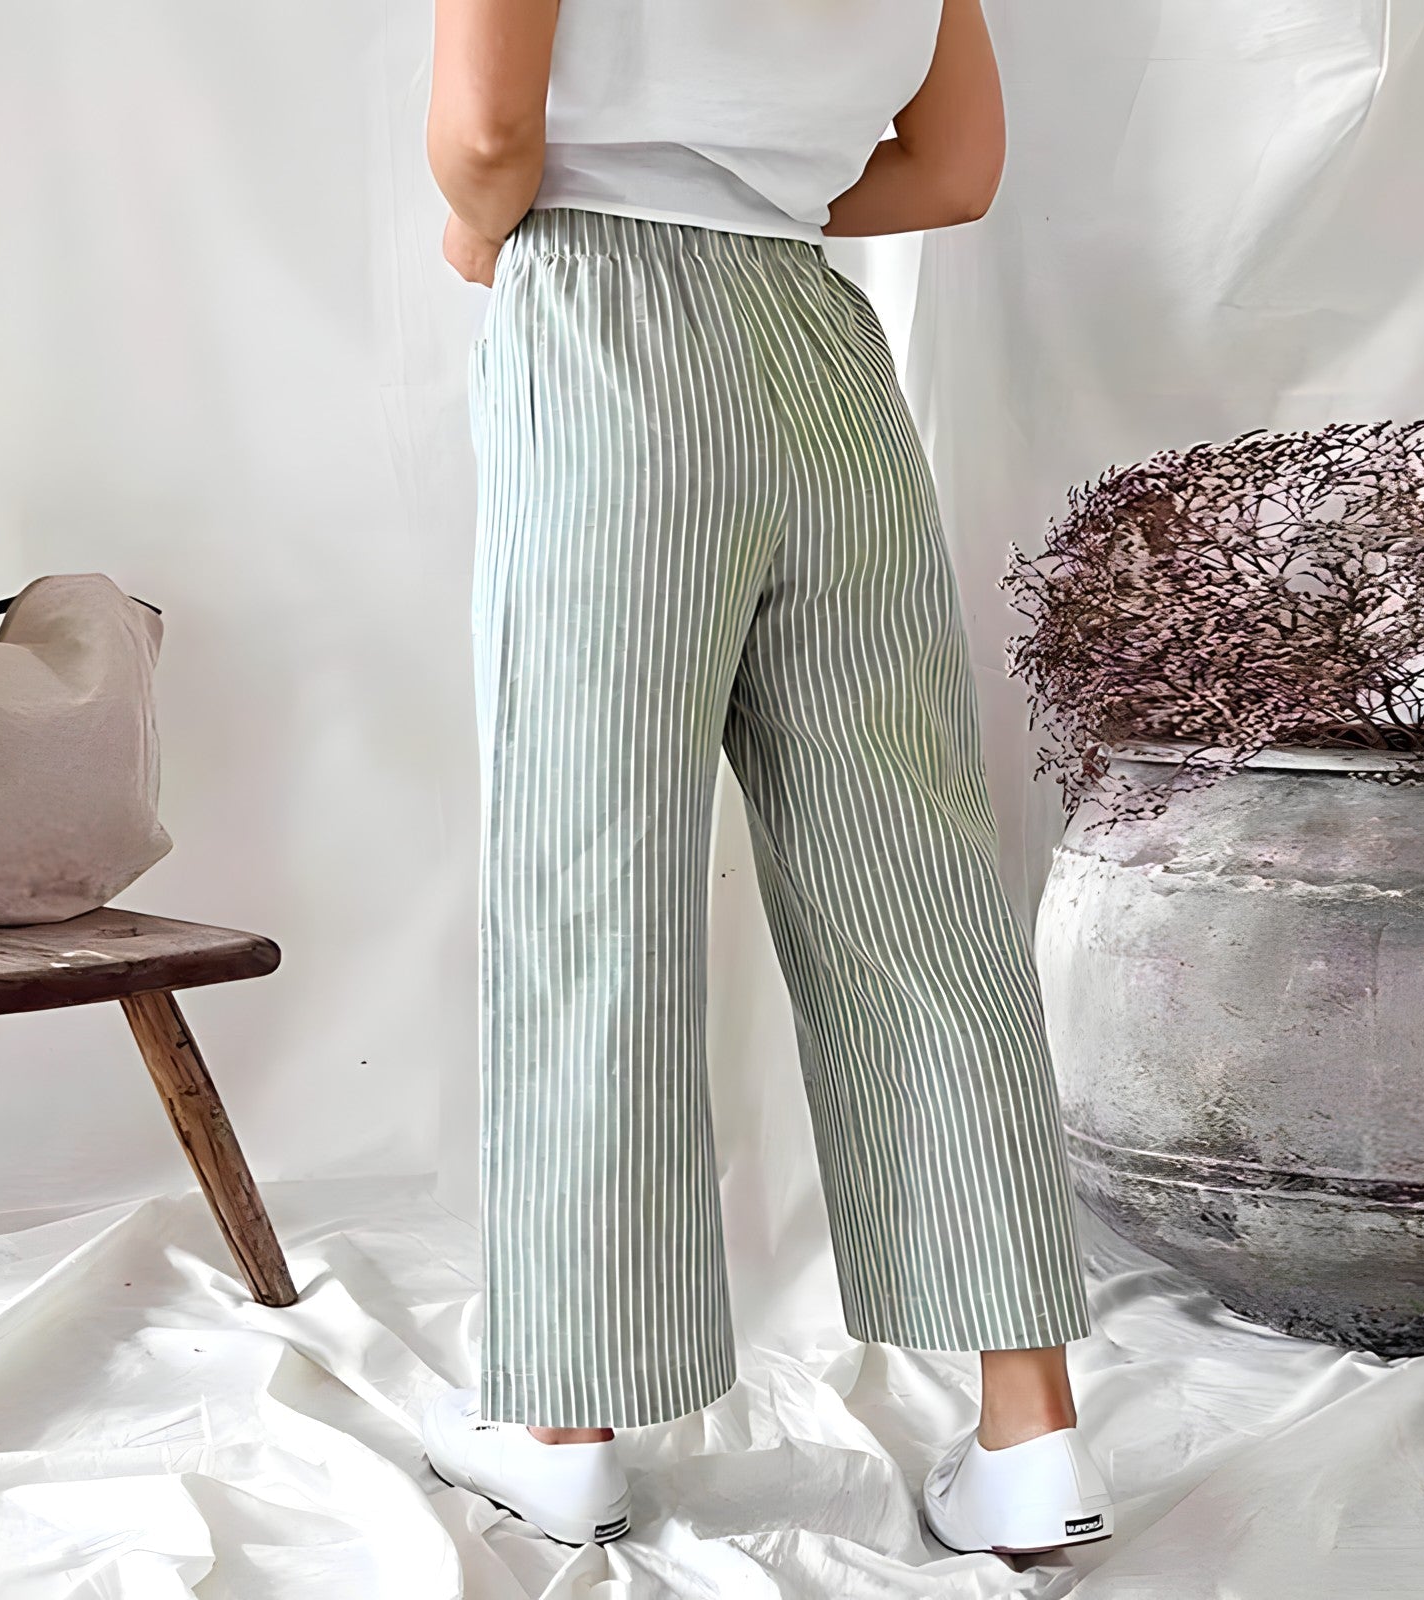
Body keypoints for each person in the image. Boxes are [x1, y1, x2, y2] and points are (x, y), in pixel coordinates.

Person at [420, 0, 1116, 1558]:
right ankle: (1031, 1430)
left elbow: (487, 134)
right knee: (916, 886)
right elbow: (954, 169)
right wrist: (761, 186)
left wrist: (483, 229)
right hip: (817, 348)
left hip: (603, 316)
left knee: (591, 877)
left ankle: (567, 1426)